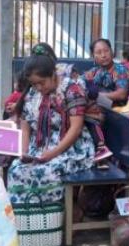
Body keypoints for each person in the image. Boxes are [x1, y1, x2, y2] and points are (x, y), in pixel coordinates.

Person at [7, 55, 96, 204]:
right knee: (16, 169)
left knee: (47, 172)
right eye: (34, 84)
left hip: (71, 148)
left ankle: (52, 217)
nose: (39, 88)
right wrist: (24, 151)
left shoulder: (72, 89)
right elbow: (25, 123)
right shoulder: (33, 93)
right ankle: (27, 219)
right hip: (41, 146)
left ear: (53, 74)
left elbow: (76, 128)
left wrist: (52, 153)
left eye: (42, 83)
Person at [85, 38, 129, 106]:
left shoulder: (120, 70)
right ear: (93, 56)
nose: (103, 55)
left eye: (106, 51)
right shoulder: (95, 71)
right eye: (99, 52)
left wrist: (96, 95)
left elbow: (121, 95)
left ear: (112, 52)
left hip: (115, 111)